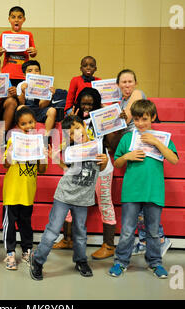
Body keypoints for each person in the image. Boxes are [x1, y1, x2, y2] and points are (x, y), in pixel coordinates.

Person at [29, 115, 108, 280]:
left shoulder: (98, 146)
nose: (76, 134)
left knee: (80, 233)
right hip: (64, 196)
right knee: (52, 231)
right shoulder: (71, 149)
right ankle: (37, 261)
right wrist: (55, 159)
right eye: (71, 133)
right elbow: (67, 169)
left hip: (84, 199)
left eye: (78, 128)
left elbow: (101, 169)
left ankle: (80, 261)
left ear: (84, 126)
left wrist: (105, 161)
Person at [109, 99, 178, 278]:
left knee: (153, 231)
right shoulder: (127, 138)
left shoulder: (162, 137)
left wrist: (157, 143)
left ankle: (155, 263)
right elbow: (116, 162)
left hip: (154, 191)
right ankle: (120, 262)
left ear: (153, 117)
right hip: (131, 191)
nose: (140, 123)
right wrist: (128, 156)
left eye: (145, 119)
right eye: (137, 119)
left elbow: (174, 159)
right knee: (127, 230)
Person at [54, 88, 118, 260]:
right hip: (79, 168)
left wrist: (113, 122)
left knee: (105, 203)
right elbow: (67, 148)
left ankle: (109, 245)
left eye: (91, 104)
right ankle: (68, 239)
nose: (87, 106)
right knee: (70, 200)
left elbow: (112, 144)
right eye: (84, 103)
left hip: (101, 168)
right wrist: (68, 120)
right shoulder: (74, 122)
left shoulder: (101, 122)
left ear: (97, 104)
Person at [112, 69, 170, 257]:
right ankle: (145, 240)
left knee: (144, 198)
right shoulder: (119, 101)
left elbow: (126, 120)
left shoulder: (137, 95)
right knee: (137, 202)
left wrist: (111, 119)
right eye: (123, 82)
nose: (127, 85)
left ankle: (159, 238)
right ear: (118, 85)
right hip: (129, 145)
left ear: (135, 83)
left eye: (130, 81)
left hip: (140, 142)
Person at [2, 106, 47, 270]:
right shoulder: (13, 140)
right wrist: (10, 153)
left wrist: (44, 156)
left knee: (26, 224)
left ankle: (27, 250)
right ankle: (10, 253)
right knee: (10, 224)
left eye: (31, 122)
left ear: (35, 122)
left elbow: (42, 170)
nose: (28, 126)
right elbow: (5, 164)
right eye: (23, 124)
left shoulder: (38, 142)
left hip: (28, 193)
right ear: (17, 125)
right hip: (12, 193)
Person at [0, 6, 37, 87]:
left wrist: (34, 51)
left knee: (21, 98)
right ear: (9, 19)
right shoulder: (5, 34)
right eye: (13, 17)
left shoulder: (28, 35)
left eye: (20, 17)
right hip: (7, 74)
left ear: (24, 19)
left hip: (23, 74)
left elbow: (33, 55)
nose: (16, 20)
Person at [17, 60, 56, 133]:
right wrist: (23, 92)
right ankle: (23, 134)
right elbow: (21, 103)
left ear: (40, 73)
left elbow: (41, 105)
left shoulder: (45, 84)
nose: (34, 73)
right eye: (30, 71)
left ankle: (46, 137)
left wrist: (50, 95)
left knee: (52, 110)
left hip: (39, 110)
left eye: (37, 71)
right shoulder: (21, 85)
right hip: (27, 110)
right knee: (20, 108)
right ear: (24, 75)